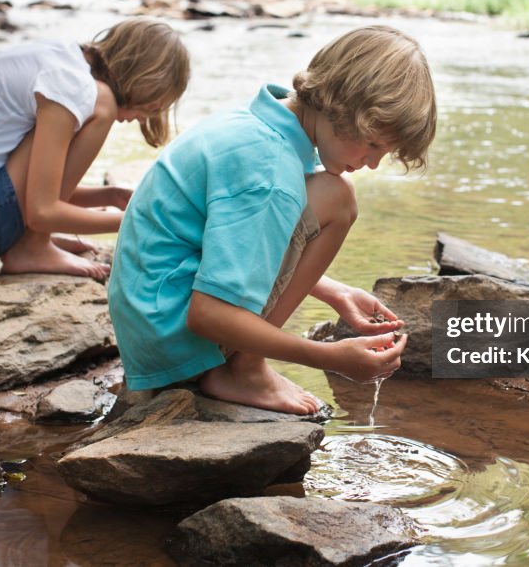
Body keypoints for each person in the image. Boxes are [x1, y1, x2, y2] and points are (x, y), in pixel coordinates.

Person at [108, 25, 437, 414]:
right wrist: (329, 357)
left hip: (149, 312)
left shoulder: (259, 124)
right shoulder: (271, 174)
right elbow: (208, 315)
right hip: (171, 336)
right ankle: (243, 368)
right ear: (342, 109)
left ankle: (243, 363)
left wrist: (332, 291)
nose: (372, 163)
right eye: (374, 144)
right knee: (337, 199)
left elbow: (240, 240)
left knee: (332, 193)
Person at [0, 17, 190, 280]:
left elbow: (34, 187)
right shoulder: (75, 87)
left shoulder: (64, 58)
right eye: (151, 107)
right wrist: (135, 220)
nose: (143, 119)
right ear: (141, 79)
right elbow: (42, 211)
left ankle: (35, 242)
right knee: (103, 103)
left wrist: (107, 196)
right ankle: (32, 246)